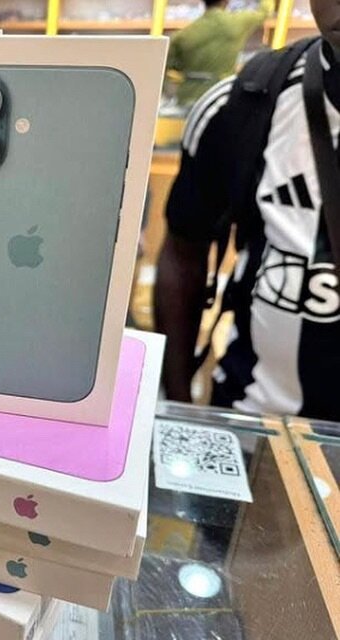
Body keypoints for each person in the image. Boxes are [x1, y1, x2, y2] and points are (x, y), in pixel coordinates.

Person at [155, 0, 340, 421]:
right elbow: (183, 253)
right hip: (249, 418)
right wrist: (179, 407)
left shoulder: (194, 35)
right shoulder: (241, 105)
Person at [166, 0, 275, 105]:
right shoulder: (237, 22)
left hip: (189, 95)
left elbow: (168, 64)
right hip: (221, 93)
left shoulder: (184, 34)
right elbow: (264, 12)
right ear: (226, 1)